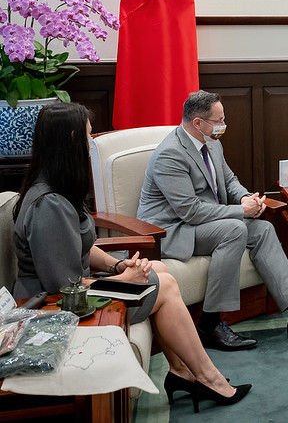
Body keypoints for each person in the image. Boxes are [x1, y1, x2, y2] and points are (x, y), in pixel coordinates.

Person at [13, 102, 250, 412]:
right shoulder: (49, 206)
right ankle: (208, 378)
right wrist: (124, 280)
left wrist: (117, 265)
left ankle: (182, 372)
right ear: (71, 139)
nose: (91, 143)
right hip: (53, 309)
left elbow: (82, 247)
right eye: (88, 136)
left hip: (76, 291)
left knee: (159, 269)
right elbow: (64, 287)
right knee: (163, 286)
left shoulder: (59, 189)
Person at [137, 90, 288, 350]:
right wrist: (240, 211)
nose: (223, 126)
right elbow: (190, 211)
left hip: (204, 222)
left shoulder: (212, 142)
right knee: (234, 229)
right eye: (218, 121)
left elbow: (229, 181)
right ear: (198, 123)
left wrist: (247, 198)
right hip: (172, 230)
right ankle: (209, 325)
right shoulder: (170, 154)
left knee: (263, 229)